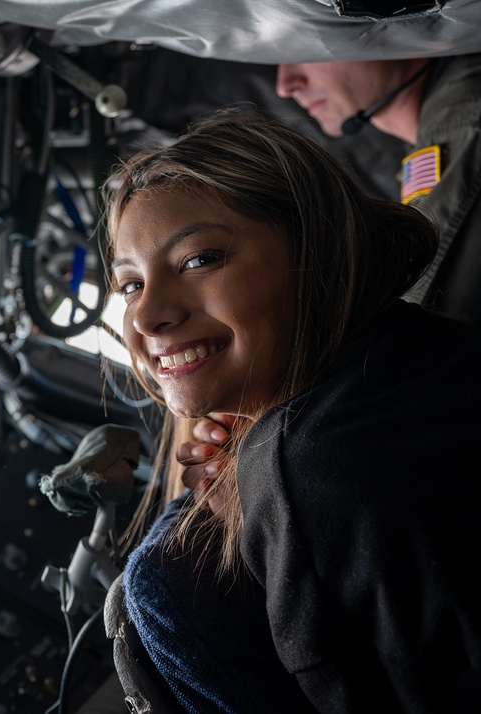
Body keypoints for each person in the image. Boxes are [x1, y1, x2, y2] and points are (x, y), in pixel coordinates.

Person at [104, 110, 481, 712]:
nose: (147, 317)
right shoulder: (415, 351)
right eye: (129, 285)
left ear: (316, 249)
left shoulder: (315, 466)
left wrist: (274, 486)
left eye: (199, 260)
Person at [276, 57, 481, 327]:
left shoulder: (466, 126)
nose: (284, 85)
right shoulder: (438, 134)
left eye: (304, 48)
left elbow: (426, 336)